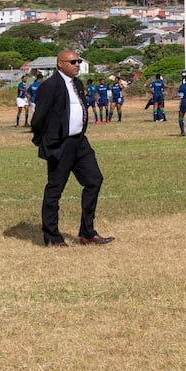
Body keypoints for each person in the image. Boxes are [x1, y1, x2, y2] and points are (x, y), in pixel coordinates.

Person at [29, 51, 113, 247]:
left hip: (80, 143)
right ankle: (52, 237)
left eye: (78, 61)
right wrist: (45, 142)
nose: (77, 65)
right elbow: (38, 119)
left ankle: (87, 233)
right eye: (73, 62)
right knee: (55, 190)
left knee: (94, 180)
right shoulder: (49, 87)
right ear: (60, 64)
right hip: (60, 144)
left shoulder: (78, 84)